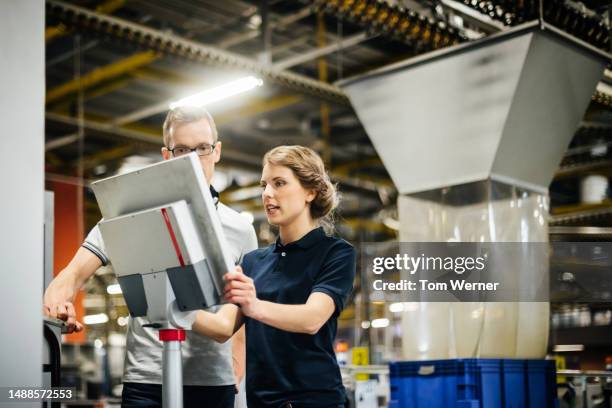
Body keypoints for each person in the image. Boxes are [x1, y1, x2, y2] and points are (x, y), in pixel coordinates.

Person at [43, 106, 258, 408]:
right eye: (182, 149)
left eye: (203, 148)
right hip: (146, 380)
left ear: (217, 151)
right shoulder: (131, 212)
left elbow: (242, 311)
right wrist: (58, 299)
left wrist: (237, 364)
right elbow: (72, 274)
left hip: (210, 382)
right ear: (167, 155)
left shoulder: (240, 229)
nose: (194, 159)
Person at [196, 145, 356, 408]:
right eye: (264, 185)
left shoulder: (335, 253)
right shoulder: (253, 261)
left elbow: (312, 319)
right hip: (261, 403)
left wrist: (254, 306)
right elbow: (223, 328)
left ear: (310, 191)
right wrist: (172, 312)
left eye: (279, 183)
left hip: (314, 401)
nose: (268, 194)